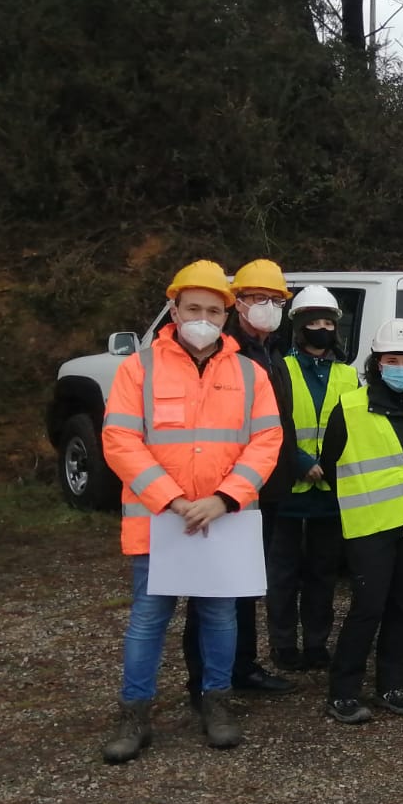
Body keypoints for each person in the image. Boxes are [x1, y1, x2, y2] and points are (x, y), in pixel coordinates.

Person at [100, 260, 282, 763]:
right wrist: (173, 498)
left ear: (227, 315)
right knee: (148, 619)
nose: (203, 317)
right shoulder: (139, 368)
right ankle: (134, 713)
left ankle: (216, 703)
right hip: (160, 520)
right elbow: (119, 439)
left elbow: (267, 440)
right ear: (174, 310)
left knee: (221, 616)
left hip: (224, 520)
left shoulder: (248, 372)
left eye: (213, 310)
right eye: (192, 308)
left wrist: (224, 498)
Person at [318, 319, 403, 723]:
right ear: (377, 363)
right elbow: (331, 461)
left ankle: (391, 685)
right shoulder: (351, 406)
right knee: (368, 607)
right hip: (371, 526)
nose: (400, 366)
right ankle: (343, 691)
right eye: (391, 359)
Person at [181, 258, 297, 698]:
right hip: (227, 492)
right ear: (238, 304)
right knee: (210, 589)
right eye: (257, 299)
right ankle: (204, 680)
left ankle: (242, 666)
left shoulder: (271, 351)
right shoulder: (222, 353)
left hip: (265, 490)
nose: (268, 307)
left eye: (276, 300)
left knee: (246, 584)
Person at [265, 285, 357, 673]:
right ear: (299, 327)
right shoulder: (278, 369)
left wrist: (331, 466)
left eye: (327, 323)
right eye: (313, 323)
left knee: (322, 575)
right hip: (288, 489)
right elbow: (273, 422)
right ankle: (283, 644)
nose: (321, 329)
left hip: (329, 494)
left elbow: (356, 428)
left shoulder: (348, 374)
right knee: (283, 574)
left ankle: (317, 643)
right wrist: (300, 460)